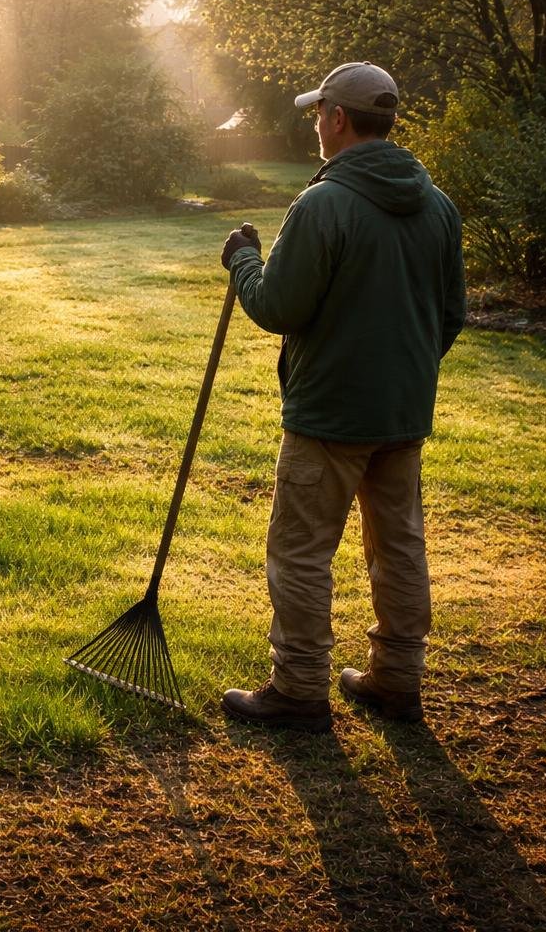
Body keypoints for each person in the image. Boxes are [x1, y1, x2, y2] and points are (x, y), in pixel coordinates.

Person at [217, 61, 466, 732]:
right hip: (402, 414)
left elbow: (278, 306)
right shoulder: (438, 205)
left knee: (301, 550)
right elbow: (450, 317)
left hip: (328, 415)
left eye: (317, 115)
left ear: (336, 119)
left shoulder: (323, 204)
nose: (315, 126)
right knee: (400, 547)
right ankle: (396, 681)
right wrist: (401, 374)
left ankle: (298, 691)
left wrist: (242, 260)